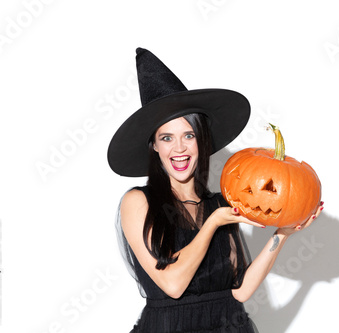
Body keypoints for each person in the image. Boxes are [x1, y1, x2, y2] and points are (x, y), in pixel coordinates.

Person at [108, 48, 324, 333]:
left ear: (202, 141)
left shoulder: (221, 204)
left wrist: (282, 234)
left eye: (189, 135)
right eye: (167, 138)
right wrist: (213, 223)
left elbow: (241, 291)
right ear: (155, 147)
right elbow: (172, 284)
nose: (179, 148)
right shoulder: (138, 202)